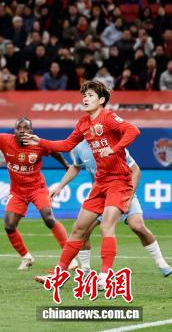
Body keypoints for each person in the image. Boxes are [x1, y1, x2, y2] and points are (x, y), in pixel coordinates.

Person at [24, 81, 140, 287]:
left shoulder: (109, 117)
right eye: (84, 96)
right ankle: (58, 275)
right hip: (100, 183)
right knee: (78, 229)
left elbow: (133, 130)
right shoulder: (83, 123)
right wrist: (40, 141)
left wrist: (114, 149)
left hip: (119, 181)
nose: (85, 99)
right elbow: (66, 145)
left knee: (107, 226)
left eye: (90, 95)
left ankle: (105, 277)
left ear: (101, 100)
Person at [51, 141, 172, 277]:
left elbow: (136, 170)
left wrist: (129, 197)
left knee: (137, 226)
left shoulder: (112, 142)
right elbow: (75, 166)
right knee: (83, 230)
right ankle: (85, 269)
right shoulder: (79, 147)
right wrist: (60, 186)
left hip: (122, 191)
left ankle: (161, 263)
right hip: (99, 195)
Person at [0, 119, 72, 270]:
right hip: (17, 191)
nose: (22, 131)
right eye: (19, 128)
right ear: (14, 130)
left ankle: (70, 257)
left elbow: (53, 151)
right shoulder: (4, 140)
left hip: (37, 188)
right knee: (9, 225)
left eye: (26, 128)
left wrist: (66, 165)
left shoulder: (38, 143)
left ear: (31, 131)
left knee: (48, 218)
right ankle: (26, 257)